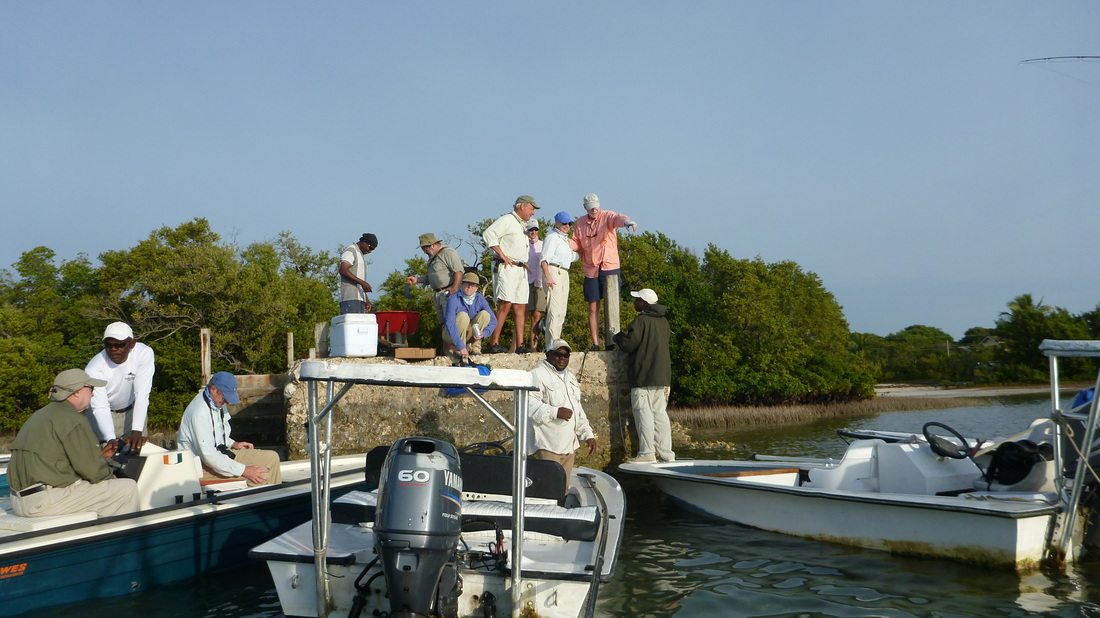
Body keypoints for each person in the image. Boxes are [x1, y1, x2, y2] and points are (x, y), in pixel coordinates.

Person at [7, 368, 139, 518]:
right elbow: (95, 473)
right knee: (127, 488)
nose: (93, 394)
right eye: (91, 389)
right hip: (46, 501)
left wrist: (100, 459)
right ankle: (122, 539)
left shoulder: (40, 415)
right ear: (76, 391)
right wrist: (112, 472)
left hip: (19, 501)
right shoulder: (73, 419)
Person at [177, 372, 281, 487]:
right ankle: (258, 503)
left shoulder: (217, 402)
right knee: (262, 476)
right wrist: (245, 470)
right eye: (225, 397)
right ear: (213, 389)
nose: (227, 401)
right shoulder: (199, 414)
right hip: (202, 467)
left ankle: (278, 500)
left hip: (220, 455)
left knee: (272, 457)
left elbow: (216, 434)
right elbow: (209, 457)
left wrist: (233, 443)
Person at [613, 288, 674, 463]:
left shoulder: (641, 320)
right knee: (660, 414)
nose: (634, 302)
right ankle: (666, 454)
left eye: (637, 299)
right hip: (662, 375)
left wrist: (618, 337)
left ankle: (647, 453)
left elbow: (629, 345)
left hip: (643, 374)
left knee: (643, 413)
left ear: (645, 303)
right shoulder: (664, 322)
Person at [527, 339, 597, 486]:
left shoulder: (570, 377)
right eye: (558, 354)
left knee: (562, 490)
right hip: (548, 445)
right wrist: (555, 412)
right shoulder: (536, 375)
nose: (562, 358)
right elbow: (528, 405)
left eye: (566, 355)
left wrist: (587, 435)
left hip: (569, 446)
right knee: (549, 488)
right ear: (548, 354)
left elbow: (578, 409)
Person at [572, 193, 637, 350]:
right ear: (585, 207)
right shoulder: (580, 222)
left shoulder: (607, 216)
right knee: (593, 307)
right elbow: (576, 243)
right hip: (590, 269)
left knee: (611, 304)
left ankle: (612, 342)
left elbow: (618, 218)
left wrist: (627, 222)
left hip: (610, 267)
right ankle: (595, 343)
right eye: (590, 206)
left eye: (596, 205)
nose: (594, 209)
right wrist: (562, 243)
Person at [84, 321, 155, 450]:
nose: (113, 349)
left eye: (119, 345)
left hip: (131, 411)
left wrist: (137, 430)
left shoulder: (144, 353)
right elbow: (100, 407)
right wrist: (110, 438)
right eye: (108, 345)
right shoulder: (94, 368)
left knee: (138, 455)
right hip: (103, 414)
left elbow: (142, 394)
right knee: (105, 458)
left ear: (131, 344)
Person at [482, 195, 539, 353]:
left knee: (521, 306)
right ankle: (494, 343)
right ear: (522, 206)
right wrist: (501, 254)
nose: (533, 212)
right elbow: (488, 234)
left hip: (520, 268)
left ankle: (520, 345)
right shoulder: (507, 220)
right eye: (531, 208)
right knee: (505, 304)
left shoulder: (522, 225)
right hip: (507, 267)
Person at [406, 233, 465, 352]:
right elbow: (434, 276)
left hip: (448, 293)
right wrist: (418, 280)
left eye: (425, 248)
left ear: (432, 245)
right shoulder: (433, 258)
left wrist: (454, 289)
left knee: (451, 324)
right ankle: (447, 354)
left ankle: (456, 352)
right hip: (438, 294)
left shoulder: (448, 253)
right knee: (443, 325)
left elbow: (458, 271)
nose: (424, 251)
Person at [540, 211, 579, 350]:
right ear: (557, 223)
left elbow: (574, 257)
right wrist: (548, 276)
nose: (567, 226)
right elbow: (544, 259)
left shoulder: (565, 240)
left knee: (562, 311)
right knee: (554, 309)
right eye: (564, 223)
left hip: (564, 272)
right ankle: (551, 344)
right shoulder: (552, 237)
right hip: (553, 271)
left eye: (569, 223)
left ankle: (556, 340)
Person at [443, 272, 497, 359]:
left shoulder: (480, 298)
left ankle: (476, 348)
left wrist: (484, 333)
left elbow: (494, 320)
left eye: (473, 284)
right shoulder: (453, 298)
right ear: (462, 284)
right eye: (467, 283)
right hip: (449, 334)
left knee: (485, 314)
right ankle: (460, 349)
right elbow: (450, 323)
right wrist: (461, 346)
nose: (470, 286)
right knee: (463, 316)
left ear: (476, 288)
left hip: (470, 334)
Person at [339, 233, 377, 314]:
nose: (370, 251)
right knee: (352, 324)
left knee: (359, 325)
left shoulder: (360, 255)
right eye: (370, 247)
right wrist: (363, 283)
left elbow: (360, 280)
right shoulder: (351, 250)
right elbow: (343, 270)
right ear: (364, 242)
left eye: (373, 250)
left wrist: (366, 299)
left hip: (360, 298)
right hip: (350, 297)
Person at [525, 222, 547, 352]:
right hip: (526, 283)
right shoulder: (523, 245)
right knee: (522, 314)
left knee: (536, 316)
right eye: (530, 230)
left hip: (539, 283)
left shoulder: (543, 245)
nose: (533, 232)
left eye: (535, 230)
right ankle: (518, 345)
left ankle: (534, 348)